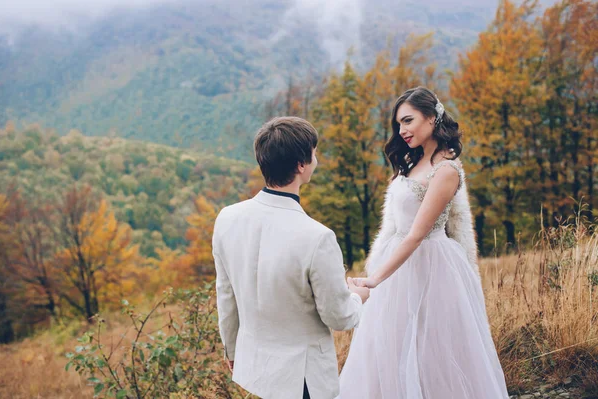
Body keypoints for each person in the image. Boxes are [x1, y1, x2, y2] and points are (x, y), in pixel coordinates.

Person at [337, 87, 509, 398]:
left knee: (433, 347)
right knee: (391, 345)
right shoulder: (411, 161)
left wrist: (375, 278)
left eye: (408, 121)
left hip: (431, 265)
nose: (401, 131)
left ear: (432, 117)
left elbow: (416, 234)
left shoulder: (446, 170)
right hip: (398, 263)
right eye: (398, 124)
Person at [213, 116, 370, 399]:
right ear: (301, 165)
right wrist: (358, 296)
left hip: (256, 369)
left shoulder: (227, 218)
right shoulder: (318, 237)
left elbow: (226, 295)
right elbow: (339, 317)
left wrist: (233, 350)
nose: (316, 159)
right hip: (302, 379)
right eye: (314, 153)